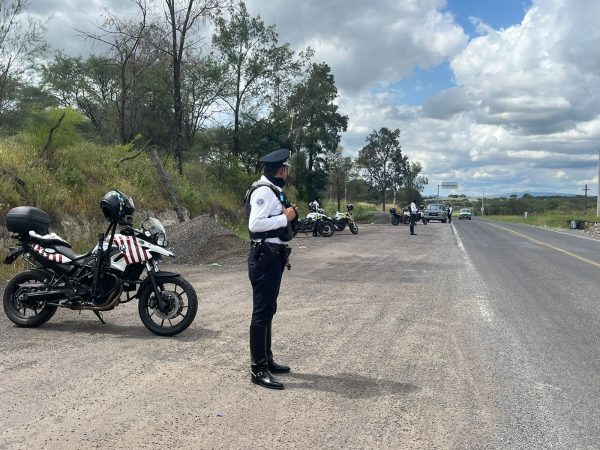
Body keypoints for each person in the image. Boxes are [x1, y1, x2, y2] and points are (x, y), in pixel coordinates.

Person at [244, 148, 298, 390]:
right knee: (262, 311)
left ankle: (267, 360)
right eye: (286, 168)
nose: (286, 172)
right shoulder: (264, 191)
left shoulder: (273, 190)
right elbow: (255, 225)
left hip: (272, 257)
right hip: (265, 257)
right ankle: (258, 369)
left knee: (268, 309)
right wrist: (285, 217)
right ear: (280, 169)